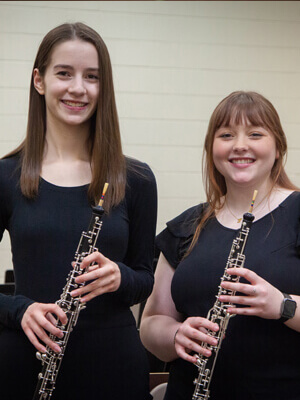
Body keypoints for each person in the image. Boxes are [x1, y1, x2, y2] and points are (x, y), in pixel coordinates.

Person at [0, 22, 157, 400]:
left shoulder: (136, 179)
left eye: (92, 77)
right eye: (64, 73)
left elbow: (145, 279)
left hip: (113, 369)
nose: (78, 88)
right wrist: (18, 310)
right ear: (39, 80)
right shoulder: (6, 176)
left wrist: (119, 276)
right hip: (24, 365)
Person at [140, 91, 300, 400]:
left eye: (255, 134)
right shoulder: (186, 226)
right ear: (212, 148)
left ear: (278, 147)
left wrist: (281, 305)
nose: (240, 145)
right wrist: (175, 335)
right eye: (226, 135)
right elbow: (150, 323)